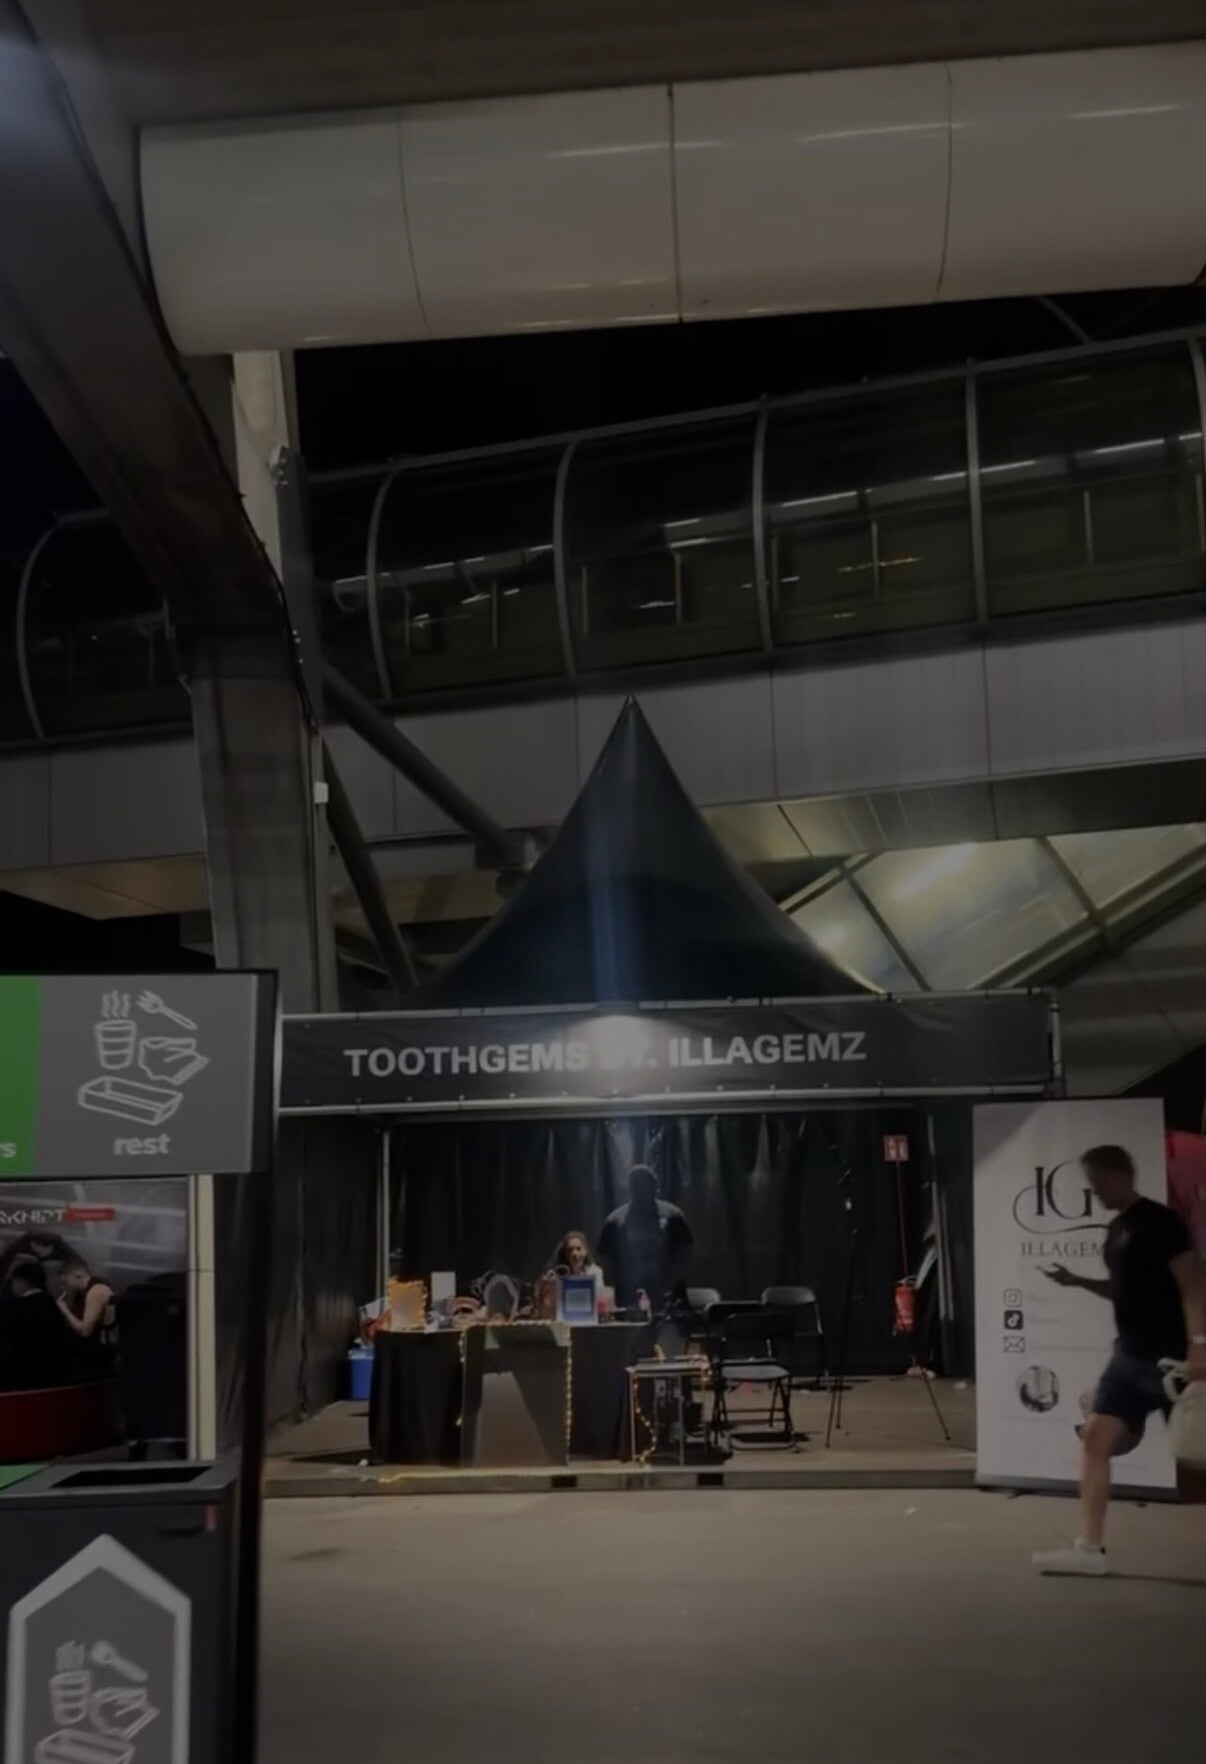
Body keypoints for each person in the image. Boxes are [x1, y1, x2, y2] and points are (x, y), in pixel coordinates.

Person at [1032, 1144, 1206, 1577]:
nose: (1095, 1192)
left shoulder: (1161, 1223)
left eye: (1098, 1183)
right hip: (1128, 1356)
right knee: (1095, 1439)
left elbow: (1191, 1286)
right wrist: (1077, 1281)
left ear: (1121, 1174)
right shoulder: (1117, 1229)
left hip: (1171, 1357)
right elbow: (1120, 1289)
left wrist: (1200, 1345)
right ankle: (1090, 1549)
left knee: (1198, 1460)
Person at [596, 1165, 694, 1311]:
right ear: (630, 1188)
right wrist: (616, 1284)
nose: (641, 1188)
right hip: (628, 1295)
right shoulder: (615, 1221)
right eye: (636, 1184)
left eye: (646, 1183)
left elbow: (686, 1251)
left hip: (669, 1294)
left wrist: (674, 1278)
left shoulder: (673, 1215)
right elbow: (604, 1259)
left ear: (655, 1186)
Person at [0, 1255, 75, 1391]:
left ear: (22, 1282)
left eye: (13, 1282)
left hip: (23, 1372)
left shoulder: (16, 1307)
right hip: (54, 1371)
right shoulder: (51, 1304)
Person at [56, 1254, 118, 1377]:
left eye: (65, 1282)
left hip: (102, 1347)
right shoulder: (82, 1293)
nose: (64, 1286)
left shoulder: (96, 1290)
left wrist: (63, 1308)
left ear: (77, 1275)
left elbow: (85, 1331)